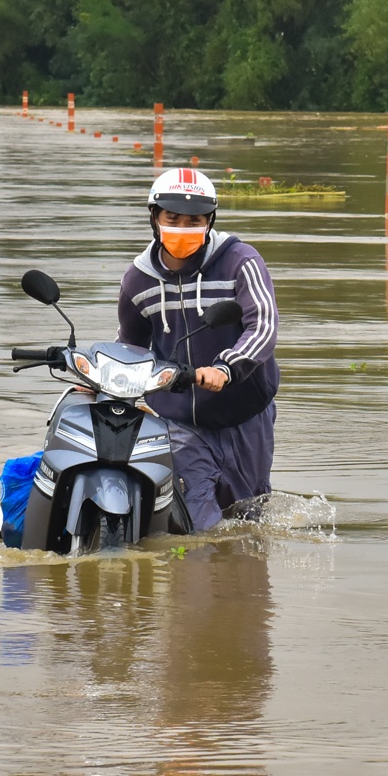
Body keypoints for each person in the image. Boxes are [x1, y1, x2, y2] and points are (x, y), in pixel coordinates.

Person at [117, 168, 279, 533]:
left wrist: (225, 368)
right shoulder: (137, 280)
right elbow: (130, 343)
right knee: (199, 527)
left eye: (194, 220)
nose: (182, 228)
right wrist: (102, 375)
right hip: (179, 421)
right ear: (155, 218)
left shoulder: (241, 262)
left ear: (209, 221)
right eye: (172, 218)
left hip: (245, 412)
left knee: (249, 517)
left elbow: (263, 326)